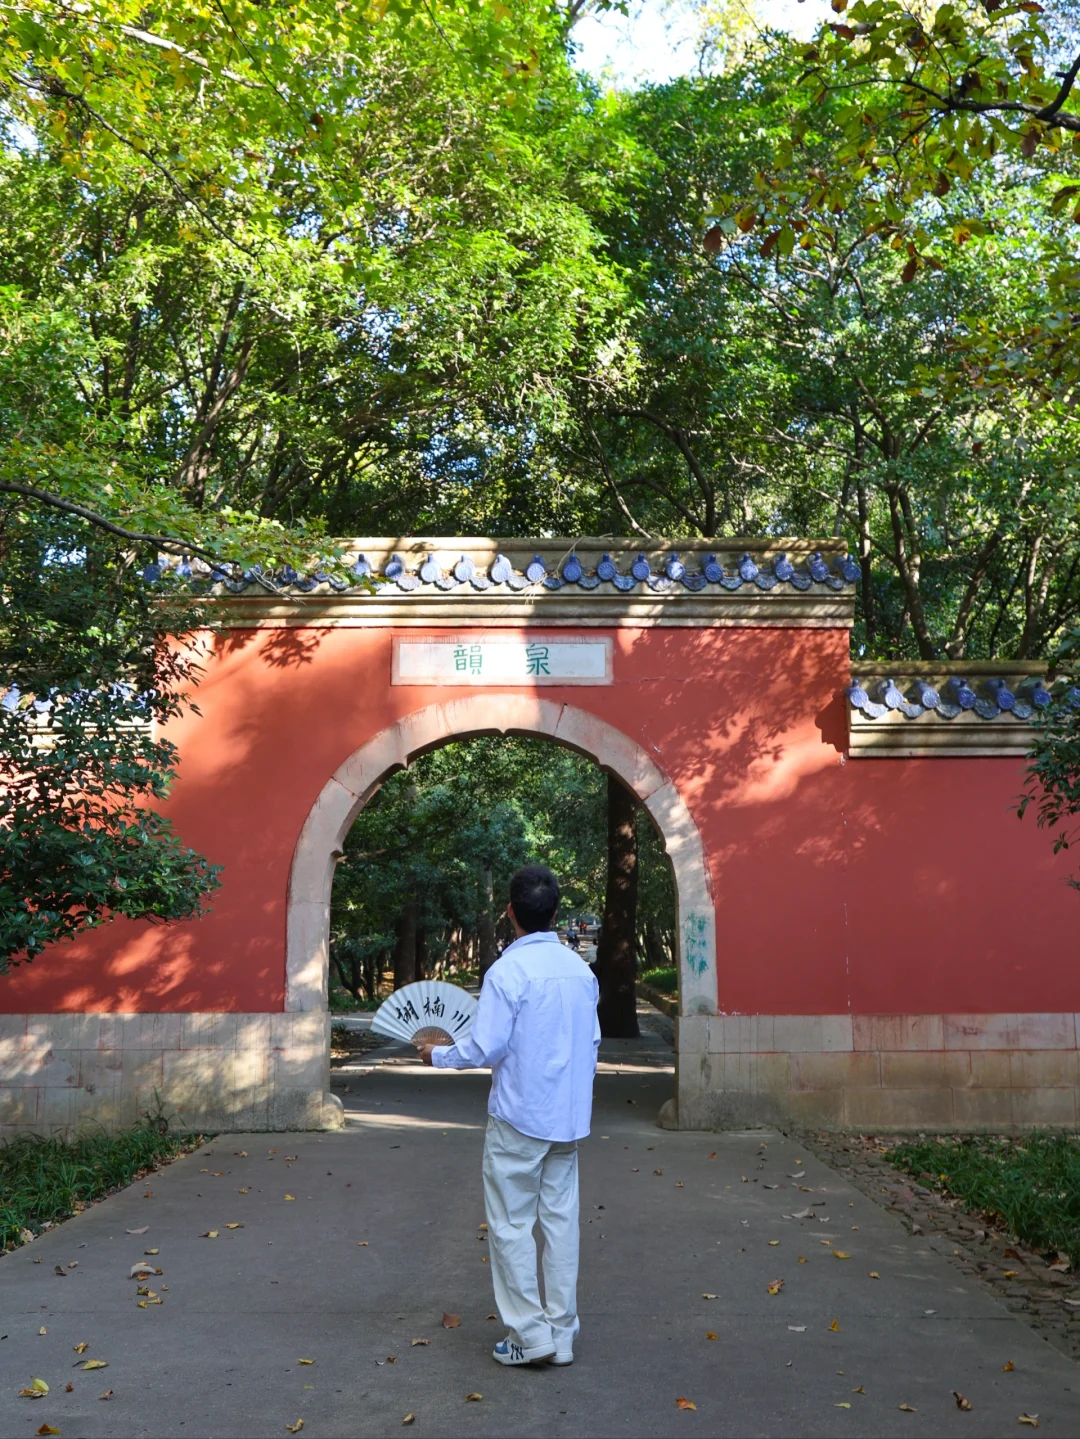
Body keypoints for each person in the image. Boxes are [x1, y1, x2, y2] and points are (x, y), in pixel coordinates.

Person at [416, 864, 600, 1368]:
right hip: (566, 1119)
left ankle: (529, 1334)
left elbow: (485, 1047)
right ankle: (561, 1333)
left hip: (519, 1117)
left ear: (510, 911)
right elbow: (591, 1043)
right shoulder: (581, 973)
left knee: (511, 1225)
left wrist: (436, 1055)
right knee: (561, 1223)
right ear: (556, 913)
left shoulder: (508, 972)